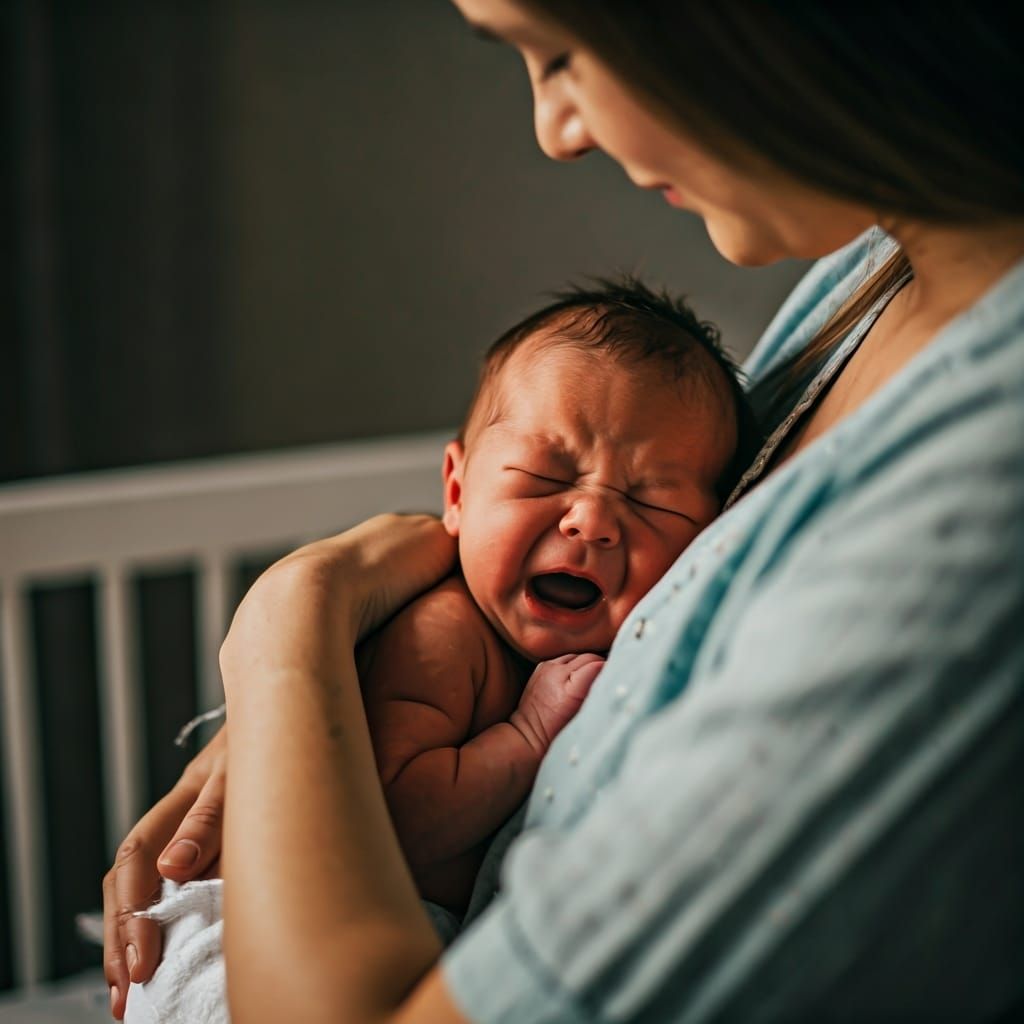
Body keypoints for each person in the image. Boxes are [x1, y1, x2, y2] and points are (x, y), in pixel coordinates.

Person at [103, 3, 1024, 1022]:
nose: (556, 128)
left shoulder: (977, 496)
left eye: (563, 52)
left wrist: (289, 624)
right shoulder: (873, 276)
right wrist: (338, 684)